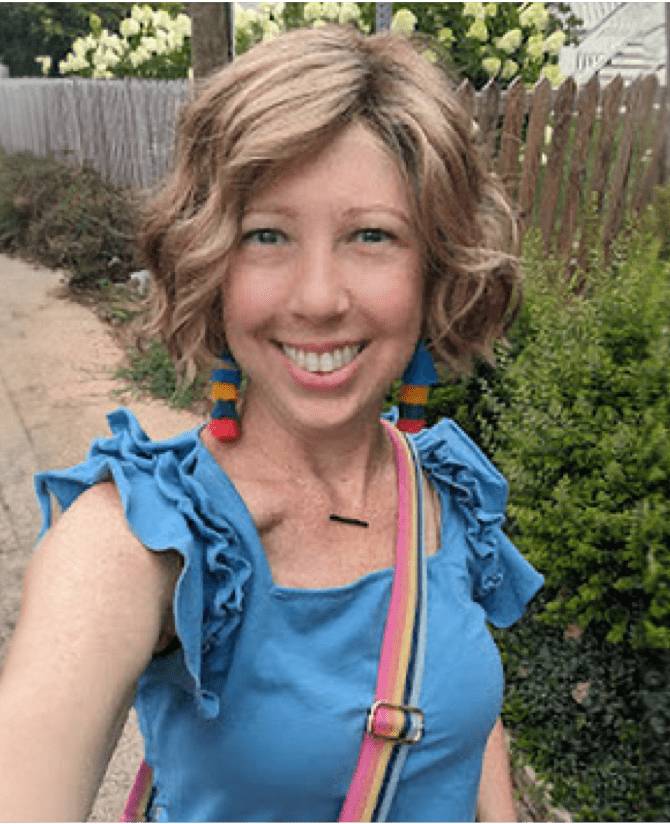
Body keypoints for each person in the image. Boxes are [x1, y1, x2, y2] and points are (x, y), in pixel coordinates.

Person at [0, 24, 543, 824]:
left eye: (372, 235)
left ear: (436, 268)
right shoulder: (141, 539)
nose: (318, 298)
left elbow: (463, 713)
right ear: (209, 262)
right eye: (267, 235)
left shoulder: (446, 492)